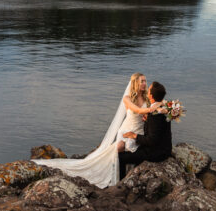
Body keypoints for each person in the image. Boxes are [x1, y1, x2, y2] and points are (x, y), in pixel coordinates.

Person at [30, 73, 161, 188]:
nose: (144, 83)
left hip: (139, 131)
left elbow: (146, 112)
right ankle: (111, 174)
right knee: (119, 149)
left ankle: (124, 175)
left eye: (145, 81)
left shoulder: (146, 98)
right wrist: (151, 110)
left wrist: (166, 108)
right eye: (142, 81)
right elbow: (137, 110)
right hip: (127, 130)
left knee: (128, 152)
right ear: (135, 83)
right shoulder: (127, 98)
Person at [117, 81, 172, 180]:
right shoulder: (165, 108)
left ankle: (122, 182)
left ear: (150, 95)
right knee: (132, 148)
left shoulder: (155, 114)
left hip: (156, 153)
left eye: (149, 89)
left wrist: (134, 136)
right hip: (165, 148)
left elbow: (151, 140)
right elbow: (158, 129)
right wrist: (147, 121)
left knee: (121, 157)